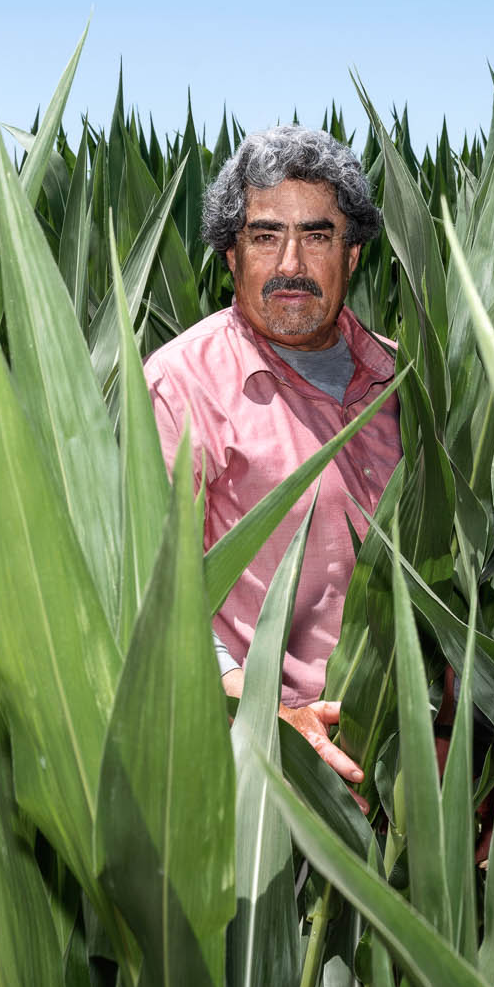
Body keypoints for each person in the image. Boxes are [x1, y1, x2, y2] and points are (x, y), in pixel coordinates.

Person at [144, 124, 400, 789]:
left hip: (422, 772)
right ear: (230, 255)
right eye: (264, 236)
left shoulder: (406, 379)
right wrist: (263, 714)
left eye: (317, 235)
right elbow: (152, 590)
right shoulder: (181, 385)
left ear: (352, 256)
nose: (290, 263)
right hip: (273, 779)